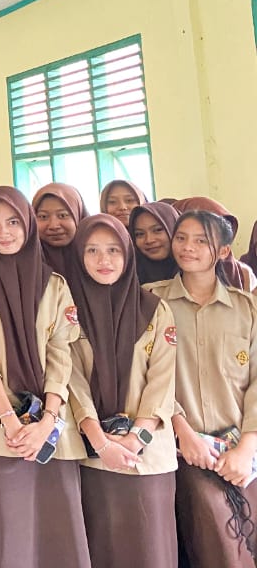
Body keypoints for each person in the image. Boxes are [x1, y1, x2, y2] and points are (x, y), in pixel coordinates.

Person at [0, 186, 90, 568]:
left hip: (52, 434)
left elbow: (61, 356)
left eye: (13, 222)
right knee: (7, 542)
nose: (4, 232)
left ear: (27, 225)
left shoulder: (55, 285)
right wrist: (9, 418)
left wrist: (47, 421)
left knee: (61, 536)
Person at [66, 214, 177, 568]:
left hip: (148, 454)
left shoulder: (155, 308)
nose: (104, 260)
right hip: (92, 455)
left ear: (127, 255)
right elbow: (73, 382)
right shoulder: (69, 313)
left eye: (114, 250)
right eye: (93, 251)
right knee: (103, 548)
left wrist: (134, 439)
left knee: (151, 549)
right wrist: (101, 443)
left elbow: (162, 380)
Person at [149, 210, 257, 567]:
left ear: (224, 251)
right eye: (181, 238)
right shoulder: (151, 301)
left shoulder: (247, 309)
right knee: (219, 546)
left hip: (244, 451)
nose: (188, 247)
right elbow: (148, 377)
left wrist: (245, 450)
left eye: (201, 240)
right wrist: (183, 432)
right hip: (186, 452)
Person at [32, 182, 87, 274]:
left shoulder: (99, 256)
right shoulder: (27, 262)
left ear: (78, 216)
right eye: (43, 216)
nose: (53, 226)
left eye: (62, 215)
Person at [131, 202, 180, 285]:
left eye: (157, 230)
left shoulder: (197, 272)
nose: (149, 240)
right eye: (140, 234)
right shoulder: (130, 277)